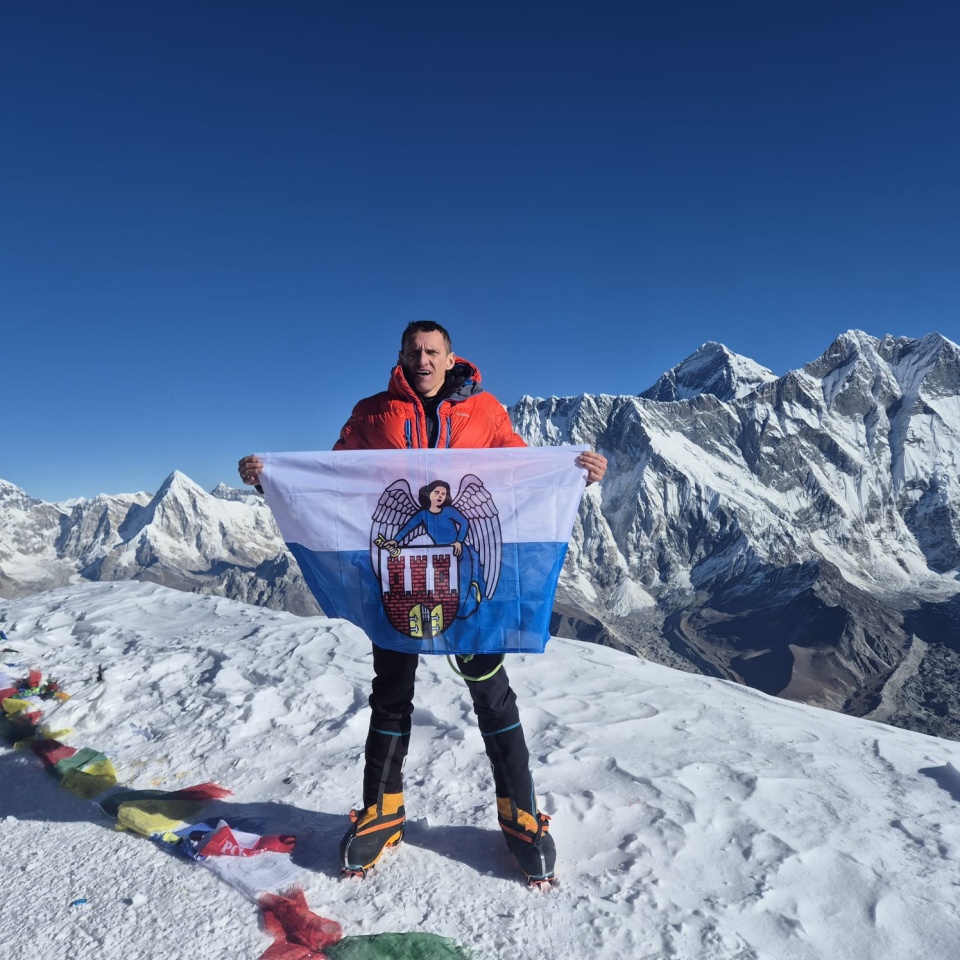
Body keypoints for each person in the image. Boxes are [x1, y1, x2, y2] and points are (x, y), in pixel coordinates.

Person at [238, 320, 607, 886]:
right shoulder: (371, 413)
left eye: (433, 351)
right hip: (401, 584)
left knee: (493, 695)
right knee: (391, 695)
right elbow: (337, 482)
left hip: (462, 588)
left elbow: (517, 475)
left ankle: (521, 812)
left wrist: (573, 475)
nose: (424, 359)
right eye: (414, 352)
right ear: (401, 357)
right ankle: (381, 811)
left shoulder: (486, 411)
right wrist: (276, 481)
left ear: (451, 356)